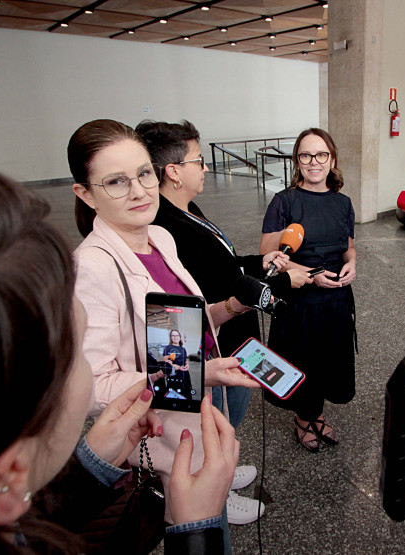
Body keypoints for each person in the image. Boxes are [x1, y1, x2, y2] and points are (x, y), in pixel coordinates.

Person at [0, 155, 237, 553]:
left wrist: (89, 467)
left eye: (144, 173)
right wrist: (196, 532)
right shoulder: (94, 264)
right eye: (72, 353)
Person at [68, 119, 262, 542]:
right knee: (203, 532)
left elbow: (175, 324)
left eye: (142, 174)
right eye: (116, 182)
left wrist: (230, 308)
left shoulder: (158, 238)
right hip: (165, 436)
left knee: (211, 493)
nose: (139, 191)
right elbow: (92, 387)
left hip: (201, 408)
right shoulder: (94, 268)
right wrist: (197, 374)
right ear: (85, 193)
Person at [136, 119, 312, 522]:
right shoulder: (165, 226)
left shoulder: (186, 209)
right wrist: (284, 279)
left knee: (227, 420)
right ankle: (211, 489)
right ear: (174, 171)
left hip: (233, 331)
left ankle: (224, 472)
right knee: (210, 421)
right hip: (214, 339)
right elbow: (211, 288)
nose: (207, 168)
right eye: (198, 160)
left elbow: (224, 266)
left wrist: (260, 261)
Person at [260, 127, 357, 452]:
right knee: (303, 361)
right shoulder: (284, 202)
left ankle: (317, 412)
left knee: (327, 361)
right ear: (296, 161)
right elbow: (268, 257)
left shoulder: (342, 203)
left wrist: (352, 262)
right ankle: (304, 419)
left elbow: (348, 246)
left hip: (336, 300)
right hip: (300, 302)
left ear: (332, 159)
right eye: (306, 155)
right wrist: (310, 274)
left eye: (321, 155)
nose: (313, 162)